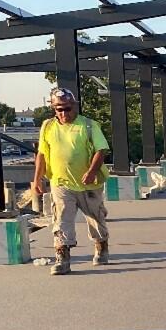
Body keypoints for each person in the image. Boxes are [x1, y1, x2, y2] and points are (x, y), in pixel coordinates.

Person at [33, 87, 110, 275]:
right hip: (61, 183)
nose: (63, 113)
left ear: (74, 107)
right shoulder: (48, 127)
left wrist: (92, 171)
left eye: (67, 108)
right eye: (59, 109)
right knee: (61, 219)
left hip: (88, 184)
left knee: (95, 218)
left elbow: (102, 150)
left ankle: (101, 245)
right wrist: (36, 179)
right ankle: (63, 258)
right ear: (53, 109)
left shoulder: (89, 125)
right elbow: (42, 154)